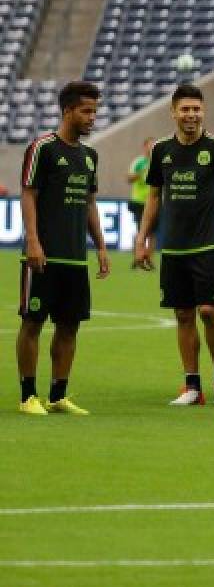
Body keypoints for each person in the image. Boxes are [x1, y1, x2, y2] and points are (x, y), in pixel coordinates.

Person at [134, 83, 214, 406]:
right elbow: (153, 196)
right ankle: (192, 386)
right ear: (173, 112)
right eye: (185, 109)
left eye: (196, 109)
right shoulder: (161, 151)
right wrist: (143, 239)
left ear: (203, 111)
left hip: (208, 244)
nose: (191, 115)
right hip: (174, 246)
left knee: (209, 310)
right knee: (183, 314)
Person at [16, 81, 109, 415]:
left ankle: (58, 395)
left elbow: (88, 203)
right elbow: (29, 194)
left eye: (95, 112)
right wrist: (33, 240)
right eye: (86, 111)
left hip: (74, 258)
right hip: (42, 255)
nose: (92, 118)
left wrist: (100, 245)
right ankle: (28, 395)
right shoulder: (42, 148)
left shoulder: (89, 156)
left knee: (70, 325)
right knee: (33, 321)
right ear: (68, 110)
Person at [126, 137, 155, 269]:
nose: (152, 148)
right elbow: (129, 178)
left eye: (154, 145)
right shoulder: (138, 162)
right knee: (140, 231)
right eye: (150, 145)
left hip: (154, 201)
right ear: (144, 147)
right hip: (139, 201)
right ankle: (137, 257)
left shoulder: (158, 162)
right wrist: (140, 173)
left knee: (152, 232)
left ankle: (149, 258)